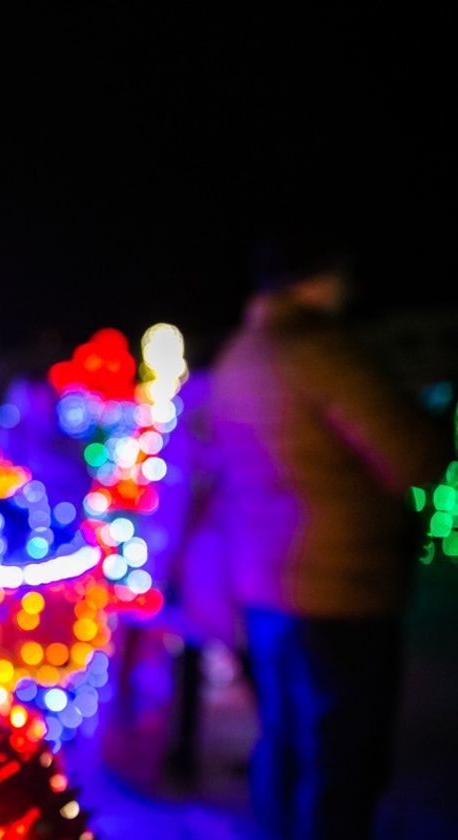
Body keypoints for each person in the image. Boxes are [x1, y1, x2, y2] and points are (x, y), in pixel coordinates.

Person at [206, 235, 446, 839]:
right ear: (315, 274)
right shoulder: (323, 350)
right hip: (341, 589)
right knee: (342, 764)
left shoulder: (240, 353)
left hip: (264, 582)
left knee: (284, 747)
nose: (349, 287)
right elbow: (415, 456)